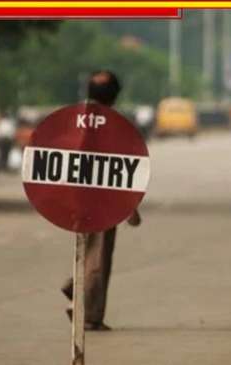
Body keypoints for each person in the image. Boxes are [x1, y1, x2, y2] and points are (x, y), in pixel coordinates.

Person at [61, 70, 142, 331]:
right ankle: (88, 314)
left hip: (76, 195)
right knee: (98, 256)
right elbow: (116, 167)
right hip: (101, 198)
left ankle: (75, 286)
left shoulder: (75, 118)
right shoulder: (108, 123)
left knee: (86, 250)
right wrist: (128, 205)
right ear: (114, 95)